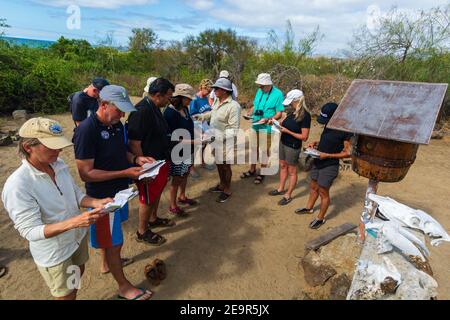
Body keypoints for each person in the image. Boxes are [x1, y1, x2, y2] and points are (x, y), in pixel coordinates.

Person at [2, 117, 112, 300]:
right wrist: (75, 222)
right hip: (55, 251)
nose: (59, 150)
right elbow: (29, 230)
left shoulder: (58, 164)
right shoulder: (18, 185)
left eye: (59, 145)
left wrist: (95, 202)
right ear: (29, 147)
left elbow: (75, 194)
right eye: (52, 146)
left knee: (77, 273)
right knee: (65, 294)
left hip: (76, 239)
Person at [73, 85, 154, 300]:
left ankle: (106, 263)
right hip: (102, 198)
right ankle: (124, 287)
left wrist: (136, 160)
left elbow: (122, 152)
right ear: (103, 105)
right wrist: (125, 172)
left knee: (111, 236)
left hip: (120, 191)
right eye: (119, 109)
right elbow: (86, 174)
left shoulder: (116, 125)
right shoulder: (86, 130)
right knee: (114, 243)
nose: (122, 114)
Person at [127, 78, 177, 245]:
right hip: (149, 165)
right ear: (157, 95)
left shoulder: (154, 107)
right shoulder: (141, 111)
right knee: (147, 198)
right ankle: (142, 231)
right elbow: (134, 143)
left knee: (155, 194)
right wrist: (145, 170)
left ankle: (153, 219)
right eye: (168, 96)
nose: (170, 99)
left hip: (159, 161)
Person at [295, 102, 352, 229]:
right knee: (313, 186)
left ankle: (320, 218)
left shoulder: (345, 130)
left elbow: (348, 153)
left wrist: (327, 155)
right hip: (318, 161)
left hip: (329, 165)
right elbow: (330, 141)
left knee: (323, 192)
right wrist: (316, 143)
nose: (324, 121)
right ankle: (309, 208)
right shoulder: (329, 124)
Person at [194, 78, 241, 203]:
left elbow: (234, 129)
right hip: (215, 139)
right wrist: (203, 116)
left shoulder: (233, 106)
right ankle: (221, 185)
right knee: (219, 163)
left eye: (216, 89)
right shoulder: (217, 101)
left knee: (225, 166)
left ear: (225, 91)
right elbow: (212, 113)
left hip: (225, 142)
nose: (213, 91)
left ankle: (227, 189)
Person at [268, 89, 311, 205]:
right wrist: (275, 123)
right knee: (282, 166)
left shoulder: (305, 116)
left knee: (292, 170)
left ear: (297, 100)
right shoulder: (292, 112)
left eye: (291, 102)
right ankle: (281, 188)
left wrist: (288, 131)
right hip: (283, 142)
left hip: (293, 146)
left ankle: (288, 195)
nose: (290, 104)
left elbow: (304, 137)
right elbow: (284, 124)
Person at [241, 73, 284, 184]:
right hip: (255, 124)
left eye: (261, 86)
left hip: (267, 127)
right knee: (254, 148)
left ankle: (263, 172)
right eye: (259, 85)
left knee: (264, 150)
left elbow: (279, 113)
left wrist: (268, 118)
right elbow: (256, 105)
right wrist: (250, 113)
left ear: (268, 84)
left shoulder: (278, 94)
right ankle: (252, 170)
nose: (259, 88)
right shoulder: (259, 91)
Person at [164, 84, 199, 215]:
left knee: (185, 173)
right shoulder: (169, 113)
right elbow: (172, 137)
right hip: (177, 151)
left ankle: (182, 196)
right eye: (188, 98)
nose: (190, 101)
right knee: (177, 177)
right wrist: (194, 141)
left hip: (188, 149)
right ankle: (173, 205)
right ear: (180, 97)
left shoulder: (185, 108)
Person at [190, 79, 215, 174]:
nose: (208, 93)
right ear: (202, 87)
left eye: (210, 91)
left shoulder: (205, 98)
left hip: (206, 125)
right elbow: (192, 115)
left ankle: (202, 162)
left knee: (204, 145)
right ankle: (191, 168)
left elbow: (208, 109)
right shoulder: (194, 99)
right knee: (196, 146)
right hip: (197, 125)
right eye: (207, 90)